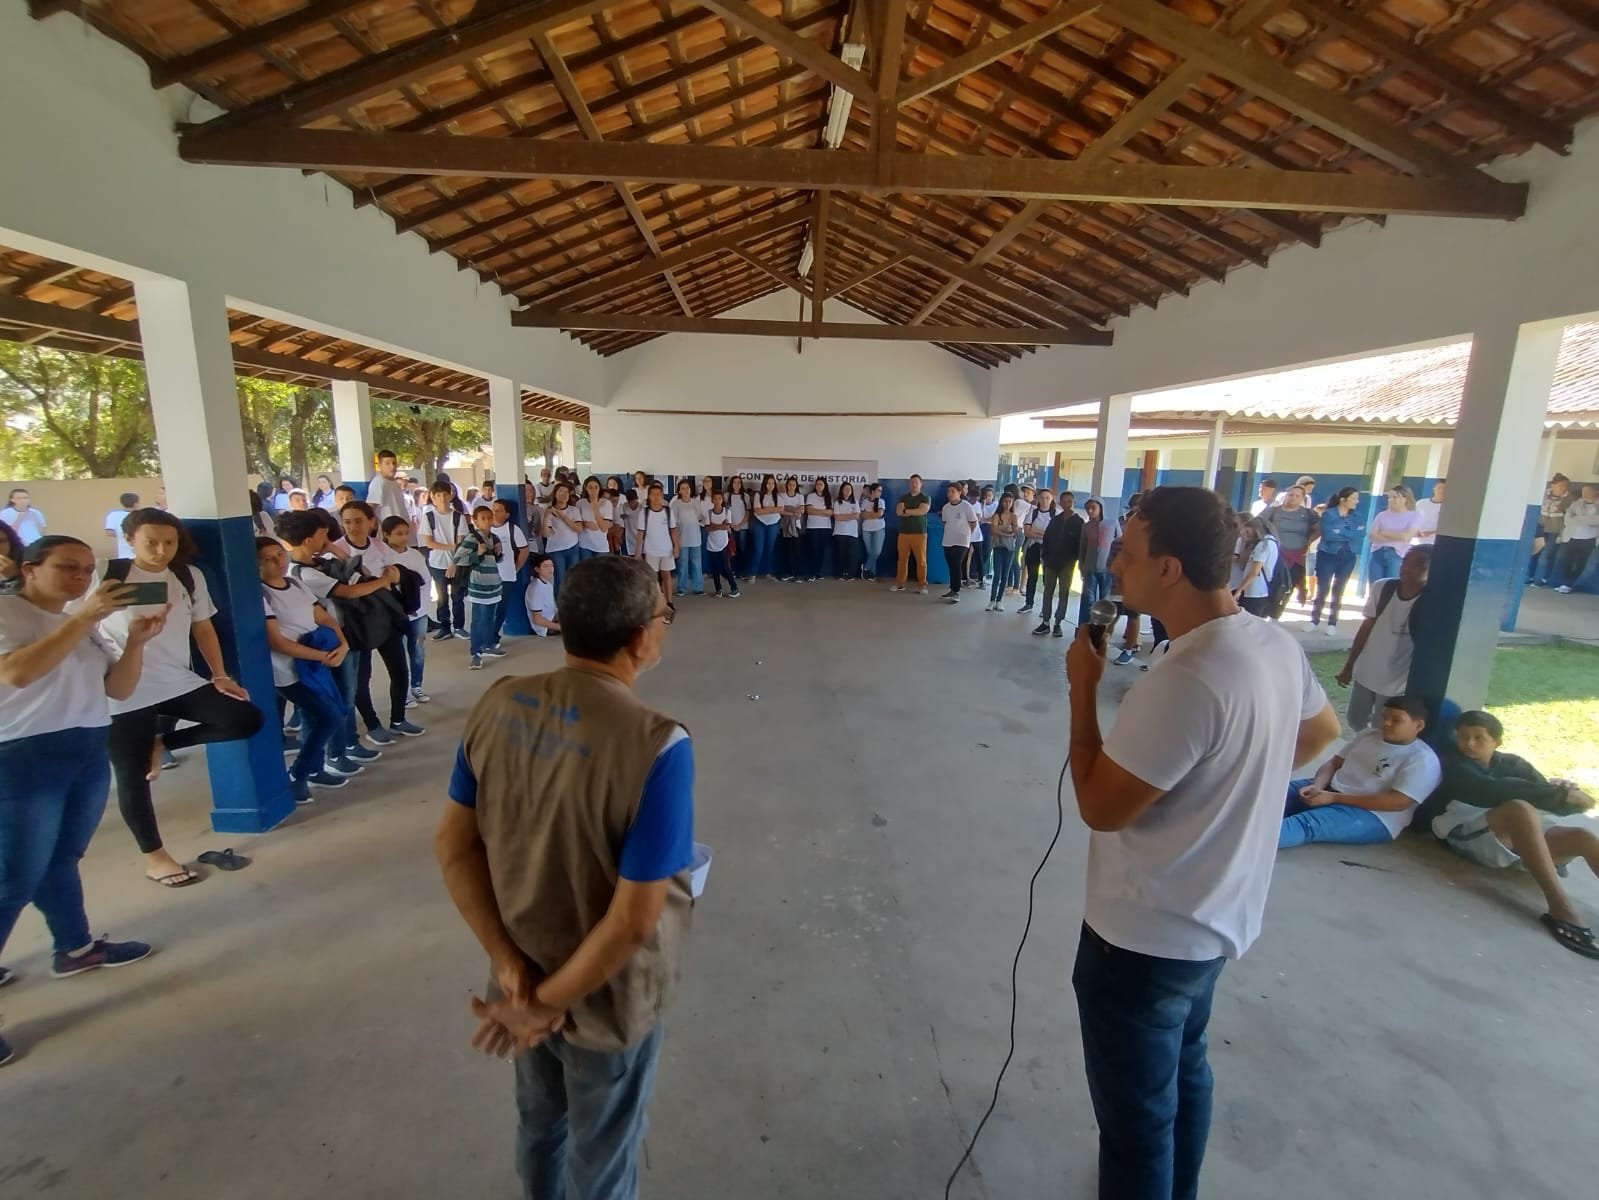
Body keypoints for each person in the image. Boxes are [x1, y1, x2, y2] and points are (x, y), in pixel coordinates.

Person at [1064, 487, 1339, 1200]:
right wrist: (1228, 780)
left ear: (1170, 569)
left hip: (1143, 938)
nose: (1113, 565)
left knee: (1135, 1128)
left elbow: (1099, 807)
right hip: (1217, 918)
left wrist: (1080, 691)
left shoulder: (1185, 677)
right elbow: (1316, 734)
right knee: (1183, 1071)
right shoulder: (1269, 640)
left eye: (1127, 554)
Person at [437, 555, 693, 1198]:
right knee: (603, 1153)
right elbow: (635, 920)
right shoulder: (657, 744)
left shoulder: (499, 701)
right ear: (640, 638)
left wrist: (513, 974)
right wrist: (547, 1007)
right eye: (664, 616)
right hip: (602, 993)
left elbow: (452, 846)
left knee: (540, 1124)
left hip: (520, 969)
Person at [0, 537, 168, 1067]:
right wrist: (83, 617)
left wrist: (138, 642)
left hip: (85, 749)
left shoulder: (84, 622)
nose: (79, 578)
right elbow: (18, 673)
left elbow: (117, 690)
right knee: (13, 877)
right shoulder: (11, 612)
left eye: (85, 570)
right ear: (30, 570)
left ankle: (73, 947)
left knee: (62, 856)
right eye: (66, 568)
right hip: (23, 758)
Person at [100, 509, 264, 887]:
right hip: (122, 688)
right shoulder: (106, 573)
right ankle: (154, 856)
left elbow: (203, 627)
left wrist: (220, 675)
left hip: (176, 679)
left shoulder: (188, 576)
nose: (161, 550)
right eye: (151, 543)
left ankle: (163, 741)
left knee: (244, 718)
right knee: (133, 776)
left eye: (169, 542)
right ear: (129, 540)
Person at [1429, 709, 1599, 958]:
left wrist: (1571, 795)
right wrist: (1557, 795)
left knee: (1582, 836)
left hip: (1518, 841)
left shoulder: (1513, 764)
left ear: (1496, 741)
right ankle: (1560, 910)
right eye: (1463, 737)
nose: (1469, 744)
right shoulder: (1452, 762)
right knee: (1519, 808)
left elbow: (1550, 799)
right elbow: (1487, 790)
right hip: (1468, 833)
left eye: (1479, 738)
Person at [276, 511, 393, 772]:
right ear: (307, 540)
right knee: (342, 697)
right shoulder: (305, 574)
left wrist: (329, 547)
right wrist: (384, 582)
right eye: (322, 535)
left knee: (347, 693)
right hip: (328, 643)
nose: (329, 539)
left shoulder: (317, 561)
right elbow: (350, 591)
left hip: (344, 635)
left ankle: (348, 744)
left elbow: (356, 567)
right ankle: (336, 753)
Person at [257, 535, 353, 802]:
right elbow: (277, 641)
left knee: (316, 717)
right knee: (331, 716)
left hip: (315, 663)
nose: (278, 561)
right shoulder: (262, 594)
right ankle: (297, 773)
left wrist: (342, 643)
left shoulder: (295, 583)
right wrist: (321, 655)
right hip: (288, 671)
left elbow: (321, 616)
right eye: (268, 559)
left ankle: (314, 770)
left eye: (279, 553)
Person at [1279, 697, 1440, 849]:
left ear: (1418, 726)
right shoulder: (1368, 735)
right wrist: (1317, 785)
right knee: (1270, 794)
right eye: (1384, 717)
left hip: (1373, 815)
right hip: (1330, 789)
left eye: (1396, 720)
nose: (1386, 723)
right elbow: (1334, 763)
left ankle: (1256, 841)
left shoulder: (1422, 759)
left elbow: (1397, 802)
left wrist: (1334, 798)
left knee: (1306, 824)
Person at [341, 502, 424, 743]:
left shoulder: (379, 546)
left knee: (399, 669)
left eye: (359, 521)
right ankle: (372, 724)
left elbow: (393, 575)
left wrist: (392, 577)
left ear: (371, 522)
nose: (353, 527)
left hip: (385, 616)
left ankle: (398, 719)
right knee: (361, 677)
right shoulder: (336, 549)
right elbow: (348, 589)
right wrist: (379, 582)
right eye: (347, 522)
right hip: (356, 622)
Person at [1336, 545, 1430, 731]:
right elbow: (1366, 628)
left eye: (1418, 564)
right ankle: (1365, 748)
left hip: (1397, 680)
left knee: (1384, 725)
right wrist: (1349, 666)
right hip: (1368, 671)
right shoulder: (1383, 588)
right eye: (1405, 562)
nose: (1408, 568)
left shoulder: (1431, 600)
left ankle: (1376, 755)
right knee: (1355, 718)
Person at [381, 516, 432, 707]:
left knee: (417, 650)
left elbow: (426, 583)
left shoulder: (415, 556)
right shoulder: (382, 556)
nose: (403, 538)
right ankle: (403, 693)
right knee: (399, 654)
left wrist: (420, 608)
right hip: (395, 615)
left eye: (406, 533)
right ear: (386, 535)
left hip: (417, 613)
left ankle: (416, 686)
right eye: (398, 534)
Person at [455, 504, 508, 672]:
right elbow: (459, 559)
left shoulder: (495, 538)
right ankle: (475, 652)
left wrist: (498, 553)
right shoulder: (472, 538)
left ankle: (487, 645)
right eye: (483, 518)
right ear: (475, 521)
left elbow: (495, 560)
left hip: (493, 583)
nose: (487, 521)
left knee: (490, 617)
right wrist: (476, 554)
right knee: (478, 619)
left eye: (489, 517)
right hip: (478, 585)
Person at [1309, 487, 1363, 633]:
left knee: (1339, 590)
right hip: (1327, 554)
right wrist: (1346, 533)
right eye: (1353, 498)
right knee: (1323, 588)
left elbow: (1357, 535)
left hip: (1348, 556)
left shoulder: (1357, 516)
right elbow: (1328, 535)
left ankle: (1332, 622)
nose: (1356, 502)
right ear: (1342, 500)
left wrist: (1340, 532)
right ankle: (1314, 619)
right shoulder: (1329, 514)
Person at [423, 482, 470, 642]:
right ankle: (444, 627)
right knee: (441, 597)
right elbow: (429, 542)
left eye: (445, 494)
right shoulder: (428, 517)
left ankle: (459, 627)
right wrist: (452, 546)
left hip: (456, 564)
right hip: (437, 564)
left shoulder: (459, 517)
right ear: (432, 497)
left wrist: (454, 563)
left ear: (451, 495)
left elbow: (462, 544)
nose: (442, 498)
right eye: (438, 495)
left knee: (457, 596)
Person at [1035, 491, 1084, 637]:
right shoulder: (1055, 520)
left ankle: (1058, 622)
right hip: (1051, 562)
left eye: (1069, 501)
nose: (1066, 504)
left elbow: (1079, 544)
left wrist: (1074, 559)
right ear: (1060, 503)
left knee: (1063, 593)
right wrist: (1044, 557)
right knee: (1047, 592)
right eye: (1064, 501)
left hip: (1067, 564)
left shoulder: (1078, 522)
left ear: (1073, 502)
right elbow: (1047, 539)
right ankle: (1045, 622)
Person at [1264, 485, 1317, 607]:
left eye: (1298, 496)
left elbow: (1319, 529)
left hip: (1296, 556)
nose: (1293, 498)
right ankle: (1265, 611)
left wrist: (1309, 542)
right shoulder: (1273, 511)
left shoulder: (1308, 514)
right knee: (1272, 584)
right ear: (1286, 496)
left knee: (1289, 586)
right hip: (1275, 554)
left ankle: (1275, 615)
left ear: (1303, 498)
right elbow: (1257, 523)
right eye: (1291, 495)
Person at [490, 499, 531, 651]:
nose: (494, 513)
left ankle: (493, 637)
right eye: (493, 509)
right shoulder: (485, 529)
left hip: (506, 575)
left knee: (500, 608)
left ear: (507, 514)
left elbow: (524, 550)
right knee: (487, 608)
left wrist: (516, 568)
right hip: (487, 576)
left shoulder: (513, 529)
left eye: (498, 510)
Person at [635, 482, 679, 623]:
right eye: (653, 494)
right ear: (649, 496)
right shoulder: (645, 513)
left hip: (666, 549)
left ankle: (669, 603)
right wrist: (638, 553)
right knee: (653, 579)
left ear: (662, 496)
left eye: (659, 494)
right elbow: (640, 534)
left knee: (667, 576)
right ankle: (655, 605)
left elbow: (673, 530)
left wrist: (676, 546)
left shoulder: (667, 511)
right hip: (651, 550)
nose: (656, 497)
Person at [1367, 485, 1420, 585]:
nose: (1391, 500)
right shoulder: (1382, 515)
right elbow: (1372, 535)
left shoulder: (1414, 516)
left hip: (1397, 554)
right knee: (1374, 586)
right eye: (1389, 497)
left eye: (1395, 497)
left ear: (1405, 498)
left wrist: (1384, 533)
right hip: (1377, 552)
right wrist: (1395, 537)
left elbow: (1406, 537)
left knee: (1390, 586)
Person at [1553, 481, 1599, 594]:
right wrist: (1584, 519)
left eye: (1587, 491)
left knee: (1580, 563)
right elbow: (1568, 518)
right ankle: (1565, 582)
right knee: (1566, 560)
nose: (1584, 493)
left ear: (1595, 492)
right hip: (1572, 536)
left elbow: (1596, 520)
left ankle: (1569, 584)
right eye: (1583, 491)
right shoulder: (1577, 503)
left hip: (1589, 538)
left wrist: (1578, 519)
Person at [1231, 515, 1279, 618]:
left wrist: (1239, 590)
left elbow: (1254, 572)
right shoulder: (1266, 543)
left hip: (1256, 592)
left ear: (1257, 528)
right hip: (1254, 592)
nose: (1246, 535)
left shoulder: (1264, 544)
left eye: (1248, 532)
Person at [1528, 474, 1571, 586]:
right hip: (1540, 528)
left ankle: (1542, 578)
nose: (1563, 488)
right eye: (1560, 486)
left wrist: (1562, 534)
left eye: (1565, 486)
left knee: (1547, 555)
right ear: (1553, 485)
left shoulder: (1568, 499)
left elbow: (1568, 519)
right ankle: (1529, 576)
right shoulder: (1543, 494)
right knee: (1534, 552)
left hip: (1555, 530)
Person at [541, 482, 583, 597]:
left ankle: (572, 602)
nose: (564, 494)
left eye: (566, 492)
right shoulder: (549, 511)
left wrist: (562, 516)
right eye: (560, 492)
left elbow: (578, 528)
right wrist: (546, 516)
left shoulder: (574, 510)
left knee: (572, 577)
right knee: (559, 579)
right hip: (556, 550)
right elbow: (545, 534)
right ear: (555, 494)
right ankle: (560, 606)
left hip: (572, 548)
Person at [1077, 498, 1114, 626]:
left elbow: (1120, 542)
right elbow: (1082, 547)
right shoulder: (1086, 526)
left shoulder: (1111, 523)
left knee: (1105, 600)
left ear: (1101, 508)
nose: (1090, 511)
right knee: (1088, 599)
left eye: (1094, 508)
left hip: (1107, 568)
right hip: (1090, 567)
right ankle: (1085, 627)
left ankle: (1103, 628)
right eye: (1088, 509)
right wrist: (1081, 565)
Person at [938, 482, 977, 603]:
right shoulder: (946, 508)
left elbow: (973, 522)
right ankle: (952, 589)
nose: (950, 494)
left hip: (962, 541)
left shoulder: (966, 506)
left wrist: (967, 535)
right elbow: (945, 523)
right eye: (948, 491)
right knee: (951, 565)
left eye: (953, 491)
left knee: (956, 564)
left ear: (959, 492)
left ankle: (956, 591)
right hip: (948, 540)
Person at [1018, 488, 1055, 614]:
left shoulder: (1056, 514)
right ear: (1038, 499)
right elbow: (1027, 532)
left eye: (1047, 498)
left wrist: (1038, 533)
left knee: (1047, 579)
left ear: (1051, 499)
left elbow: (1055, 535)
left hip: (1049, 549)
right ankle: (1029, 603)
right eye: (1042, 498)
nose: (1044, 500)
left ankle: (1045, 609)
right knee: (1032, 576)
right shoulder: (1032, 513)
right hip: (1034, 547)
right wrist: (1045, 534)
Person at [892, 474, 931, 594]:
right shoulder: (903, 497)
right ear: (909, 484)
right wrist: (912, 511)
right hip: (903, 533)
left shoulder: (925, 497)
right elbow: (899, 511)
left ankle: (922, 585)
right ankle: (900, 584)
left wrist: (907, 511)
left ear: (921, 484)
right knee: (902, 559)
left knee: (921, 561)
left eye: (916, 482)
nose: (914, 484)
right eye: (912, 482)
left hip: (919, 533)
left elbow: (922, 511)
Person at [984, 493, 1020, 611]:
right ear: (1001, 502)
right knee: (997, 575)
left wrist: (1002, 529)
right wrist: (1006, 531)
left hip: (1009, 548)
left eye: (1010, 502)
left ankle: (999, 600)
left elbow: (1015, 531)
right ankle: (992, 600)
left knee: (1005, 574)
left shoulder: (1013, 516)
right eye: (1005, 501)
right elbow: (993, 530)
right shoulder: (997, 515)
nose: (1007, 504)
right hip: (998, 546)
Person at [669, 480, 705, 597]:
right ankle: (682, 588)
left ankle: (698, 587)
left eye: (687, 488)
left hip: (695, 538)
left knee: (696, 563)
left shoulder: (696, 503)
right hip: (682, 538)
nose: (686, 490)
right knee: (683, 564)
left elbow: (700, 518)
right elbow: (673, 522)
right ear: (679, 490)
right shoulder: (676, 504)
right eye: (683, 488)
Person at [703, 490, 740, 598]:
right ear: (712, 500)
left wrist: (714, 525)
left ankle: (734, 588)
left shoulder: (727, 512)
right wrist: (719, 526)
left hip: (723, 544)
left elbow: (727, 527)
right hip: (711, 545)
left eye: (719, 498)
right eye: (715, 499)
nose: (717, 501)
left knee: (726, 567)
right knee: (715, 569)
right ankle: (718, 590)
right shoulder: (708, 513)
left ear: (722, 500)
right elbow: (707, 528)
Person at [575, 477, 613, 564]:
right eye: (590, 487)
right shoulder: (580, 503)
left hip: (601, 546)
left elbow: (604, 528)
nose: (593, 490)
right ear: (585, 488)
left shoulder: (606, 503)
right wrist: (586, 524)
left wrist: (595, 507)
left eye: (596, 487)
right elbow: (577, 523)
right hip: (584, 545)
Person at [802, 478, 833, 583]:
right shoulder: (811, 496)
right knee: (813, 550)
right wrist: (823, 512)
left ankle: (818, 572)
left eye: (821, 484)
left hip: (825, 527)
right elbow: (809, 511)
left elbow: (831, 512)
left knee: (821, 551)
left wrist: (817, 511)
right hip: (813, 527)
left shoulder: (828, 497)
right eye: (817, 484)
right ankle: (811, 572)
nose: (818, 486)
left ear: (824, 486)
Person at [775, 475, 805, 583]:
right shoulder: (781, 495)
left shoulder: (800, 497)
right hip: (784, 527)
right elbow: (780, 511)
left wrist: (789, 511)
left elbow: (802, 510)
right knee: (786, 550)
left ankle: (797, 574)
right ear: (787, 485)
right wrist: (792, 511)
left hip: (796, 527)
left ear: (796, 486)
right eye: (789, 484)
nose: (791, 486)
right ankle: (788, 572)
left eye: (793, 485)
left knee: (796, 551)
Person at [750, 475, 780, 580]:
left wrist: (765, 509)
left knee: (769, 549)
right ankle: (753, 574)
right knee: (758, 549)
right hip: (760, 523)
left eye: (772, 483)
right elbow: (757, 511)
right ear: (764, 484)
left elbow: (781, 509)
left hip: (773, 524)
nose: (770, 485)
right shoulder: (758, 495)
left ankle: (768, 572)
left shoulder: (778, 496)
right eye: (768, 483)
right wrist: (773, 509)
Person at [523, 555, 560, 637]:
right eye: (545, 566)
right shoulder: (535, 588)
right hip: (545, 628)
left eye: (551, 566)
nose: (550, 569)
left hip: (553, 618)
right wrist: (561, 628)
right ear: (537, 569)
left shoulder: (548, 584)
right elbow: (538, 620)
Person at [969, 485, 997, 586]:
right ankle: (973, 573)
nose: (987, 498)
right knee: (977, 552)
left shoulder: (996, 505)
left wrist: (986, 519)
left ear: (993, 496)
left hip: (990, 528)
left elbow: (993, 518)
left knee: (987, 551)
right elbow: (981, 518)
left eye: (990, 496)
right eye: (986, 496)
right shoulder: (980, 505)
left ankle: (982, 573)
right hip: (981, 528)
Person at [860, 482, 887, 582]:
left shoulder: (881, 502)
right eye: (878, 490)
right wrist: (872, 514)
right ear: (872, 491)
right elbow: (862, 515)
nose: (880, 492)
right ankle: (871, 574)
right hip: (866, 529)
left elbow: (879, 514)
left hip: (879, 529)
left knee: (876, 551)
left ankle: (866, 567)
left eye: (881, 491)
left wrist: (869, 514)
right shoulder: (865, 502)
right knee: (870, 552)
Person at [726, 475, 751, 569]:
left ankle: (741, 570)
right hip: (731, 526)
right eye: (735, 482)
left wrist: (740, 525)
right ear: (731, 484)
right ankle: (732, 570)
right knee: (731, 549)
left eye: (739, 482)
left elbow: (748, 513)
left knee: (742, 549)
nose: (737, 484)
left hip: (743, 527)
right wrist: (731, 524)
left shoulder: (745, 496)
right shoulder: (726, 496)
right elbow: (725, 512)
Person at [104, 492, 139, 558]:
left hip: (123, 554)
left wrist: (122, 535)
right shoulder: (141, 515)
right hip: (140, 554)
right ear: (136, 503)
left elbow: (109, 533)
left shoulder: (113, 515)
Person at [1412, 479, 1446, 546]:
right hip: (1417, 542)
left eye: (1444, 488)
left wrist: (1430, 533)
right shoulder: (1421, 503)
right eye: (1439, 487)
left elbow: (1447, 526)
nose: (1441, 490)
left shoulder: (1448, 507)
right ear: (1434, 489)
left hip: (1435, 542)